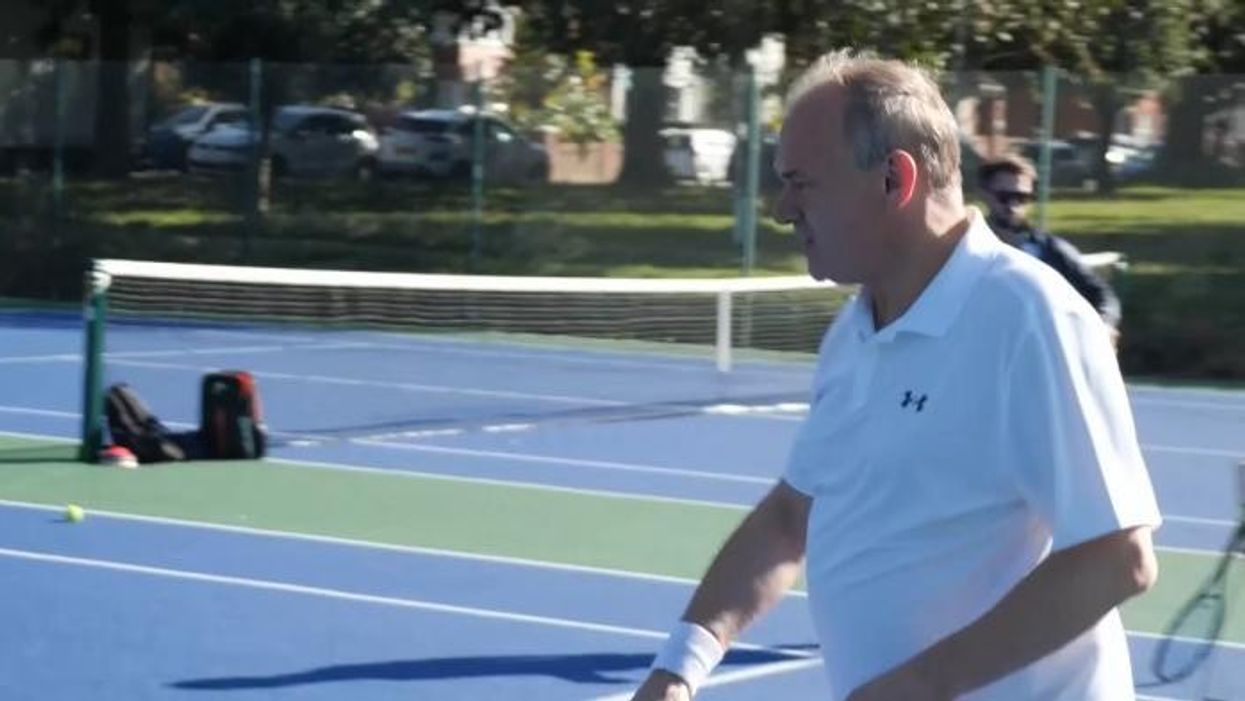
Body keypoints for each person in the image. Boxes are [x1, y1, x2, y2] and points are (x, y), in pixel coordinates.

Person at [630, 50, 1161, 701]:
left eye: (802, 181)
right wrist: (678, 668)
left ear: (893, 179)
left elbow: (1117, 558)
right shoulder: (855, 329)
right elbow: (791, 515)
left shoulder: (1028, 316)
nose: (780, 208)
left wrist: (919, 685)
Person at [978, 154, 1122, 345]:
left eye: (1021, 198)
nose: (1013, 206)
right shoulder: (967, 248)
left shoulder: (1051, 251)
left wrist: (1105, 325)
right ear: (985, 194)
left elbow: (1101, 295)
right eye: (1004, 197)